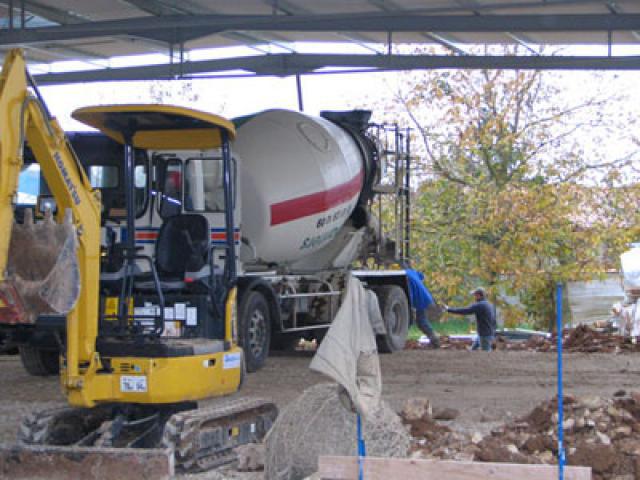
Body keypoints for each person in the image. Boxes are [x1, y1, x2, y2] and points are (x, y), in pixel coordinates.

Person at [445, 287, 496, 352]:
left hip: (484, 335)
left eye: (475, 295)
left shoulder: (480, 305)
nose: (474, 297)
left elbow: (465, 310)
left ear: (479, 295)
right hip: (488, 332)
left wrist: (449, 309)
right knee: (472, 350)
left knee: (486, 353)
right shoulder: (488, 304)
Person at [405, 268, 441, 349]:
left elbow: (409, 295)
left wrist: (410, 307)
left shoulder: (405, 277)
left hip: (420, 301)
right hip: (426, 298)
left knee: (421, 321)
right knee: (421, 321)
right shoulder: (411, 272)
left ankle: (435, 341)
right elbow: (421, 276)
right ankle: (435, 340)